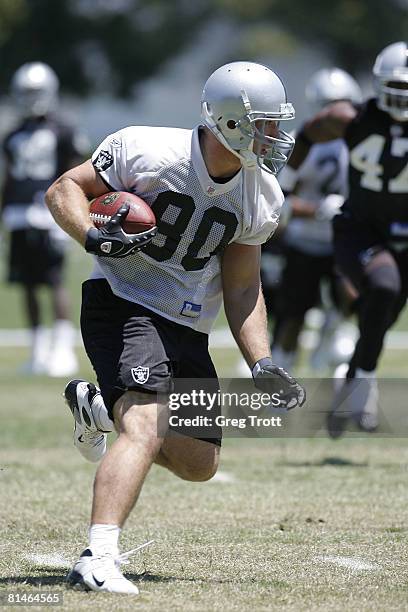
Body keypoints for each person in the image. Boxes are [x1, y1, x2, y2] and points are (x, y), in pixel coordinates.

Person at [45, 61, 306, 595]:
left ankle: (98, 406)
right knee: (143, 422)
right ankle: (98, 556)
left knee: (198, 463)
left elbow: (241, 287)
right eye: (266, 124)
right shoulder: (148, 150)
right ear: (231, 124)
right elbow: (64, 190)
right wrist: (92, 237)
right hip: (123, 300)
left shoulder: (261, 193)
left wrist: (262, 363)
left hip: (188, 322)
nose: (276, 136)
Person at [288, 42, 408, 437]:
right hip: (361, 228)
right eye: (397, 85)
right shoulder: (350, 117)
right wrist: (285, 183)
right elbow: (305, 133)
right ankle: (363, 382)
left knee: (381, 317)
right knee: (384, 285)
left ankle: (351, 380)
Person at [271, 68, 362, 373]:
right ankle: (281, 377)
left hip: (343, 240)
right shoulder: (302, 142)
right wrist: (318, 209)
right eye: (330, 103)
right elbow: (278, 200)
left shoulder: (363, 139)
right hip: (304, 241)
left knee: (351, 299)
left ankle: (334, 332)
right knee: (292, 316)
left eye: (342, 102)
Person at [1, 62, 87, 376]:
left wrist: (74, 211)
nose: (31, 97)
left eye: (36, 91)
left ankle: (62, 349)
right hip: (18, 215)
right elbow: (9, 179)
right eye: (26, 92)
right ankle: (37, 350)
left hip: (50, 215)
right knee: (26, 284)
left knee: (53, 280)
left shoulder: (63, 130)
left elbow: (75, 174)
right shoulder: (12, 135)